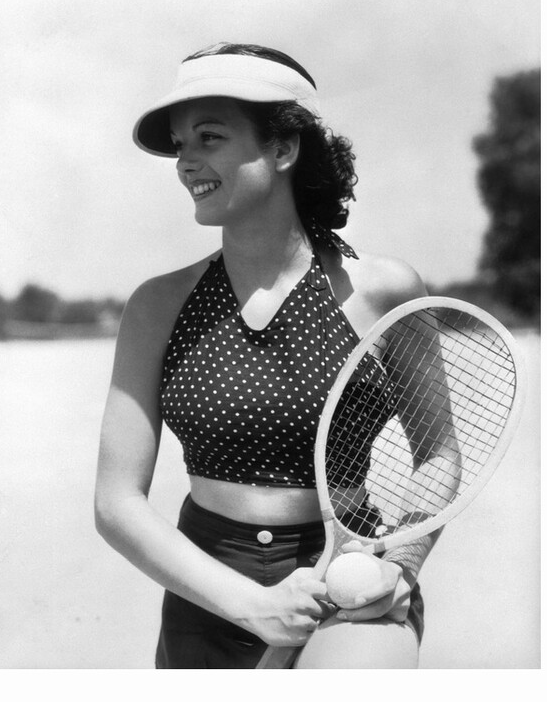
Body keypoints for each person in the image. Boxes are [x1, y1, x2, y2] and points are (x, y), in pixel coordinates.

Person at [95, 42, 436, 669]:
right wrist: (251, 604)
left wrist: (403, 561)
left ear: (283, 148)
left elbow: (438, 452)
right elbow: (117, 503)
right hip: (204, 587)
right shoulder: (157, 305)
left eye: (210, 137)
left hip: (349, 582)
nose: (185, 162)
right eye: (179, 144)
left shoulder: (383, 291)